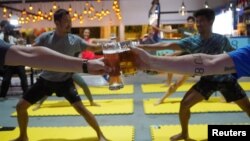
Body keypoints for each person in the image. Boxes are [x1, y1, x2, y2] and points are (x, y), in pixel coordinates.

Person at [135, 8, 250, 141]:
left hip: (227, 80)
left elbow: (233, 57)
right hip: (207, 81)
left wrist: (236, 74)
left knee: (247, 108)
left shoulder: (222, 40)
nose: (198, 24)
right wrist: (142, 47)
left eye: (201, 21)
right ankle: (184, 134)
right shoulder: (192, 41)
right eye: (197, 21)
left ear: (211, 21)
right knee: (184, 105)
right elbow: (167, 44)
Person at [13, 9, 108, 141]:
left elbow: (92, 48)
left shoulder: (75, 40)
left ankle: (100, 135)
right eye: (66, 21)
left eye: (70, 21)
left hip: (65, 81)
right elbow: (30, 50)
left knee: (81, 109)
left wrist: (108, 44)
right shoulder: (46, 37)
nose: (69, 24)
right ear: (57, 23)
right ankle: (23, 136)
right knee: (20, 107)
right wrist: (19, 48)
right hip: (45, 80)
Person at [0, 21, 28, 99]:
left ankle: (27, 95)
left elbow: (22, 45)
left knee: (23, 77)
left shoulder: (15, 35)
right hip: (8, 62)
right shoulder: (1, 36)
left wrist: (20, 41)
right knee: (6, 79)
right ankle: (2, 95)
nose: (9, 29)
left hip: (18, 60)